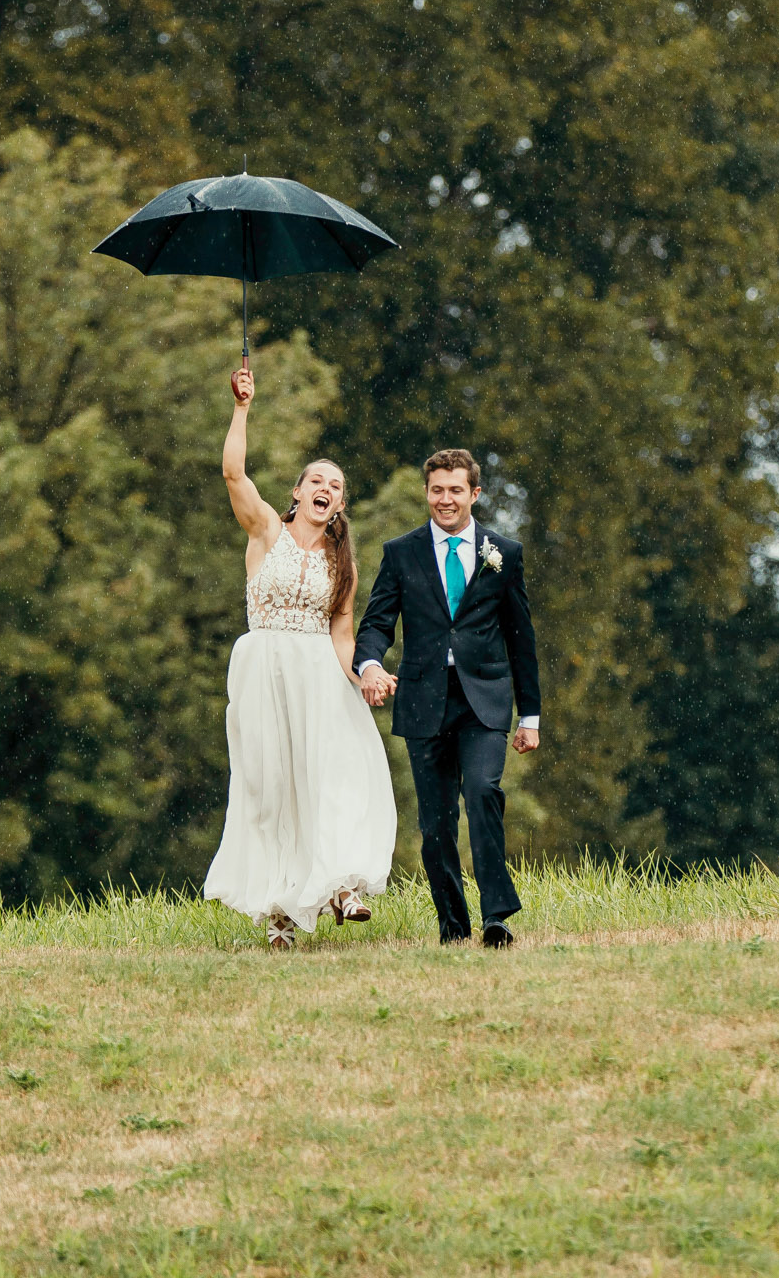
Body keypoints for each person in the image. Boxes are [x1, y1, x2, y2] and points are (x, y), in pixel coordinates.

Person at [203, 366, 397, 951]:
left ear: (340, 504)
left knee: (333, 775)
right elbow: (233, 472)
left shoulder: (344, 563)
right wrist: (242, 407)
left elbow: (342, 633)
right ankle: (279, 913)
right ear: (297, 492)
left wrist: (364, 671)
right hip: (263, 669)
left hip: (319, 676)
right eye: (317, 481)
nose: (326, 490)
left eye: (336, 486)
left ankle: (342, 887)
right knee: (270, 788)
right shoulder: (265, 530)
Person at [353, 449, 540, 947]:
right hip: (423, 698)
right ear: (427, 493)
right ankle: (453, 927)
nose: (446, 499)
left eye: (456, 490)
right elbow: (375, 623)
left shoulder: (505, 552)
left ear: (474, 494)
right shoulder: (401, 553)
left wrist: (531, 716)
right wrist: (369, 664)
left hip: (486, 700)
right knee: (435, 824)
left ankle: (496, 916)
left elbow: (521, 638)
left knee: (482, 793)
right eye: (437, 489)